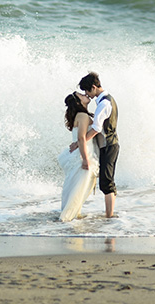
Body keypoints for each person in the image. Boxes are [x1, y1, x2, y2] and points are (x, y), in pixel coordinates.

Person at [75, 72, 119, 217]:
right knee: (107, 180)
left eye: (87, 91)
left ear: (94, 87)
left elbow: (96, 129)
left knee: (106, 183)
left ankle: (109, 216)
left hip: (109, 145)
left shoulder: (104, 103)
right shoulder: (106, 100)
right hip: (109, 145)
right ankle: (110, 215)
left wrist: (78, 143)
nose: (87, 94)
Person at [57, 91, 98, 221]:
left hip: (79, 153)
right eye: (81, 95)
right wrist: (85, 159)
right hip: (82, 155)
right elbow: (81, 138)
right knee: (77, 188)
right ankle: (68, 217)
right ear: (78, 102)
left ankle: (70, 214)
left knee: (74, 186)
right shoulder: (83, 116)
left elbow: (80, 138)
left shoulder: (80, 115)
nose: (85, 95)